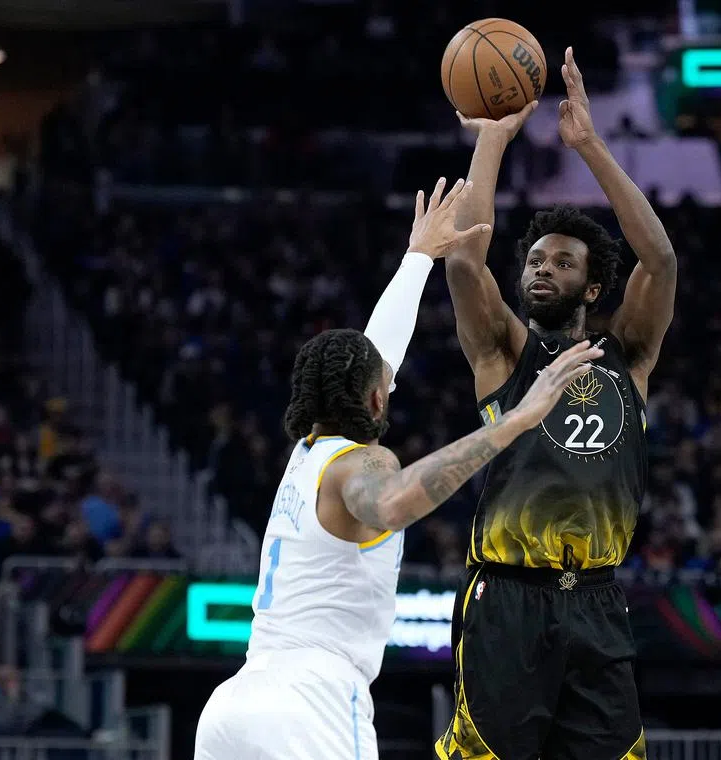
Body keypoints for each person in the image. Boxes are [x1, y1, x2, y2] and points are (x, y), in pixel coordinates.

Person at [193, 178, 605, 760]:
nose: (391, 381)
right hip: (312, 703)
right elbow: (388, 503)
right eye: (385, 384)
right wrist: (513, 422)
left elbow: (375, 355)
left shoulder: (305, 456)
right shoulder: (363, 462)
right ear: (377, 401)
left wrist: (417, 258)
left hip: (232, 707)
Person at [436, 47, 678, 760]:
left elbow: (659, 260)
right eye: (536, 259)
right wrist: (492, 137)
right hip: (507, 598)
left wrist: (589, 146)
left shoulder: (626, 358)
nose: (542, 268)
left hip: (597, 599)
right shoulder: (505, 355)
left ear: (593, 288)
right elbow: (461, 259)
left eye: (562, 261)